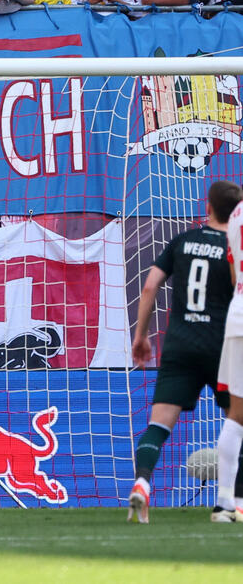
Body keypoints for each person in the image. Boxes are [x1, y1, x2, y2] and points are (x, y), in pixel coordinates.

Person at [129, 181, 243, 524]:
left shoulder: (182, 241)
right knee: (236, 422)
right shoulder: (233, 245)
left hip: (180, 343)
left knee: (159, 423)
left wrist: (141, 336)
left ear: (207, 206)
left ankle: (142, 483)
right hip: (222, 345)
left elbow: (150, 286)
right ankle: (232, 500)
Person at [214, 197, 243, 522]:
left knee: (236, 416)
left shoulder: (236, 213)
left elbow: (235, 276)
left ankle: (225, 504)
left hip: (238, 314)